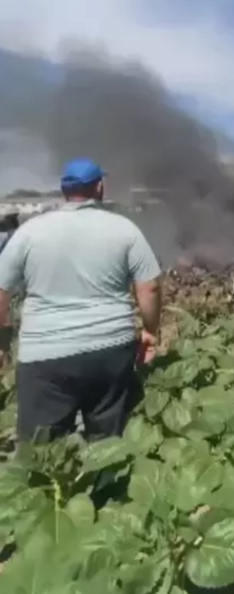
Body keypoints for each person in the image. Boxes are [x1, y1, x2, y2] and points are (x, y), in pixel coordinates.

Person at [0, 158, 162, 443]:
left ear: (64, 191)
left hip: (45, 357)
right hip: (110, 350)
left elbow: (1, 292)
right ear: (99, 187)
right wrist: (150, 331)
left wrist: (2, 344)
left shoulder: (29, 232)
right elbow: (150, 288)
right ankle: (107, 487)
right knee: (109, 447)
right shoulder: (124, 229)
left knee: (42, 451)